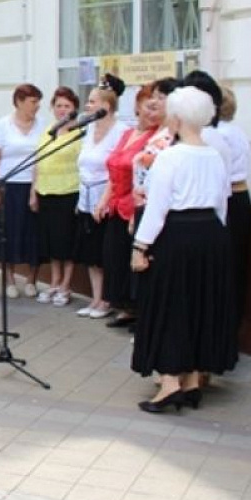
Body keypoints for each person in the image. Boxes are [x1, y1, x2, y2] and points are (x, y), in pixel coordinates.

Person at [130, 86, 237, 412]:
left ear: (175, 117)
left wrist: (140, 247)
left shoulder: (170, 158)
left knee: (169, 306)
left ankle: (170, 384)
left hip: (176, 236)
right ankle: (192, 379)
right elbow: (222, 205)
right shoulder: (216, 156)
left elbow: (157, 208)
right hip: (212, 237)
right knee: (202, 305)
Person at [94, 81, 163, 322]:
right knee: (114, 257)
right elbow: (114, 168)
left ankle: (136, 309)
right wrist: (104, 199)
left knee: (130, 259)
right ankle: (122, 304)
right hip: (116, 203)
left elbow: (145, 177)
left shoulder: (157, 139)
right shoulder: (127, 133)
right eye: (147, 106)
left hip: (135, 204)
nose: (151, 111)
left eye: (156, 106)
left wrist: (136, 211)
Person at [0, 83, 47, 298]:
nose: (37, 106)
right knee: (7, 233)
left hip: (33, 186)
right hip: (8, 187)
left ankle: (32, 280)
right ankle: (9, 279)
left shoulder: (43, 125)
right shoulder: (3, 125)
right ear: (19, 102)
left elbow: (43, 158)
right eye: (32, 101)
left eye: (38, 101)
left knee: (33, 234)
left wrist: (36, 188)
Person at [72, 77, 125, 317]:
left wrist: (105, 199)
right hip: (85, 198)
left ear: (107, 105)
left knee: (104, 254)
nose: (87, 106)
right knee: (90, 254)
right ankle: (95, 299)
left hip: (106, 200)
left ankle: (107, 300)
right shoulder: (88, 128)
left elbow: (117, 171)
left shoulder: (122, 131)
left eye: (92, 102)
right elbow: (83, 165)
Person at [30, 86, 82, 306]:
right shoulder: (48, 130)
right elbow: (38, 162)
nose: (62, 110)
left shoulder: (79, 132)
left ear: (75, 109)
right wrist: (33, 191)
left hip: (68, 192)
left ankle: (65, 286)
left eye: (67, 106)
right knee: (50, 241)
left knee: (65, 242)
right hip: (45, 191)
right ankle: (54, 281)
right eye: (59, 105)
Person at [218, 87, 251, 319]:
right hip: (241, 198)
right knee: (237, 264)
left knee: (224, 267)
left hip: (227, 199)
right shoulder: (238, 132)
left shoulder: (217, 134)